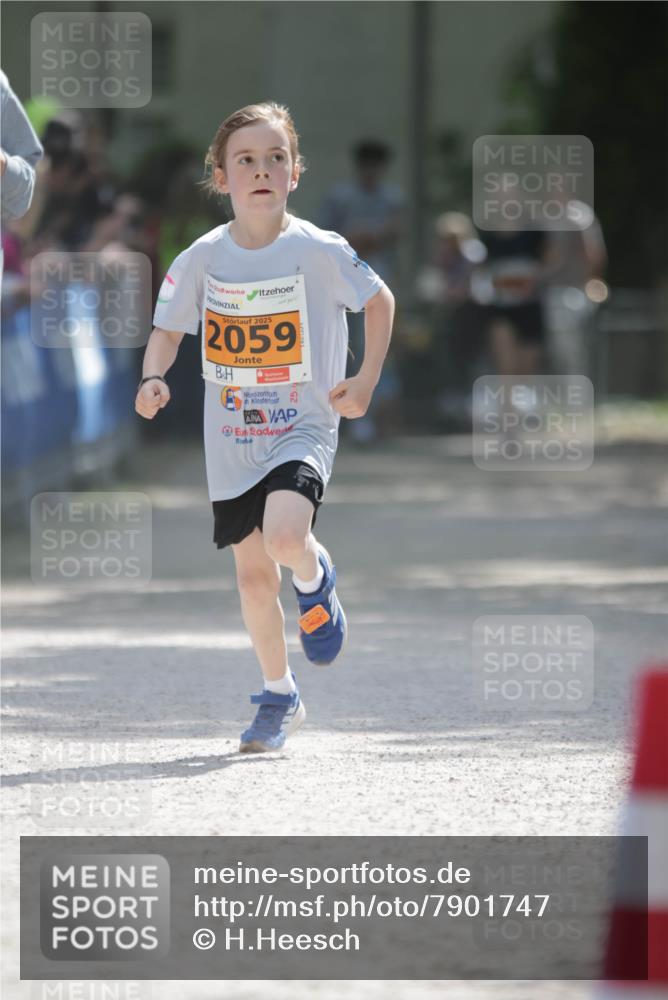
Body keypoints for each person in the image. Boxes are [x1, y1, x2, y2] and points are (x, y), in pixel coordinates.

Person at [135, 102, 395, 752]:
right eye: (246, 160)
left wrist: (364, 380)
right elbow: (166, 331)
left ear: (295, 172)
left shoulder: (319, 249)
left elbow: (379, 301)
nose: (261, 170)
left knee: (285, 537)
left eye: (275, 158)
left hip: (302, 425)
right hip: (231, 441)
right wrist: (153, 377)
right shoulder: (201, 257)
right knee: (253, 579)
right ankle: (280, 695)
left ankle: (313, 575)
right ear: (221, 177)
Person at [319, 140, 404, 442]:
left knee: (382, 348)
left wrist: (374, 237)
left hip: (382, 281)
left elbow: (396, 233)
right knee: (352, 345)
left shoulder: (393, 199)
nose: (371, 171)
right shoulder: (340, 197)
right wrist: (358, 238)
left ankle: (382, 418)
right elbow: (326, 236)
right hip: (347, 283)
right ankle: (351, 416)